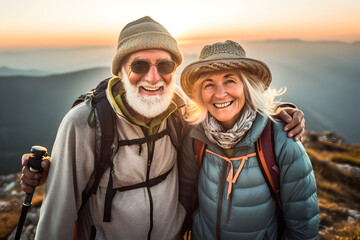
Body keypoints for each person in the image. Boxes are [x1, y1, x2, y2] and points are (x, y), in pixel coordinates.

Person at [20, 17, 306, 240]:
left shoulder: (180, 112)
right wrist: (52, 169)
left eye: (165, 64)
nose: (153, 77)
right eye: (140, 65)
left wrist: (276, 115)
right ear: (120, 71)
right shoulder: (84, 124)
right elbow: (56, 219)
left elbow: (226, 114)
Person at [178, 40, 319, 240]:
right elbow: (185, 193)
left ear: (247, 86)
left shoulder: (282, 141)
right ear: (201, 93)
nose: (220, 94)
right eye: (209, 84)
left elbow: (303, 225)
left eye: (230, 81)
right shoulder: (195, 137)